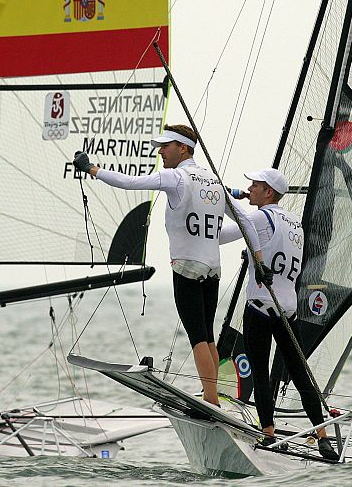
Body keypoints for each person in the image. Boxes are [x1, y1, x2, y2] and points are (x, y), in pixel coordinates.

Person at [73, 124, 267, 406]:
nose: (160, 151)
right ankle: (217, 394)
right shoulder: (213, 181)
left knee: (198, 337)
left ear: (183, 148)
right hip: (213, 269)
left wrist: (92, 169)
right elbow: (247, 222)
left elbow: (130, 182)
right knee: (208, 336)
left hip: (187, 268)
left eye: (166, 146)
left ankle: (211, 400)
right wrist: (259, 262)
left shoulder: (175, 177)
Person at [219, 168, 339, 461]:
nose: (251, 188)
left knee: (260, 373)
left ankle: (269, 434)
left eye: (255, 186)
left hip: (260, 307)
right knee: (300, 375)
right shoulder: (294, 223)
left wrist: (219, 195)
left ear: (268, 192)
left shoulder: (260, 217)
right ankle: (322, 437)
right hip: (289, 310)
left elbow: (224, 233)